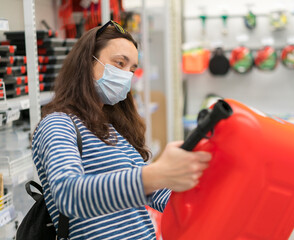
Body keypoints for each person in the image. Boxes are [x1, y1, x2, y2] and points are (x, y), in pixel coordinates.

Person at [32, 20, 211, 240]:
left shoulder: (111, 129)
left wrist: (194, 185)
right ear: (87, 63)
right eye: (119, 63)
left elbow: (157, 193)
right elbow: (69, 195)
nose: (127, 75)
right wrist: (157, 173)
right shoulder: (58, 124)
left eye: (132, 69)